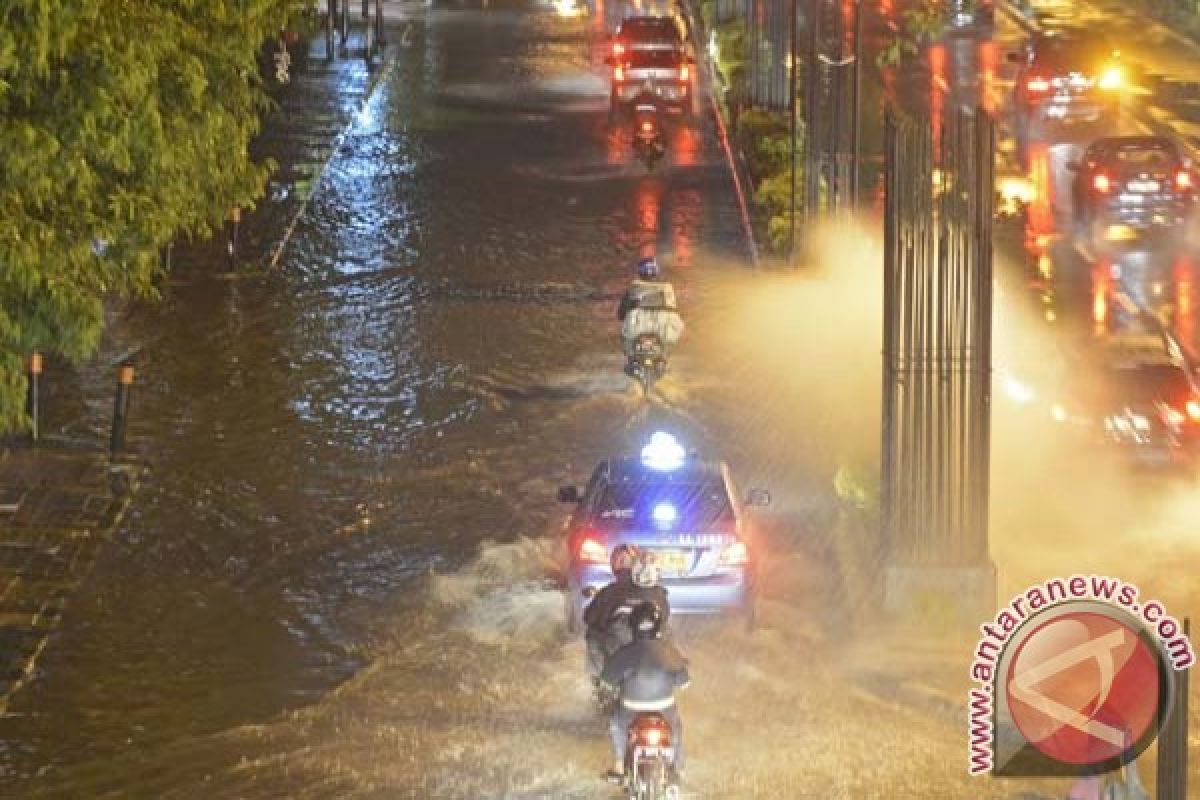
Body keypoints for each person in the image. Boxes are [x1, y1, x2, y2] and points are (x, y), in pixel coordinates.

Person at [599, 601, 689, 784]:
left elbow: (606, 681)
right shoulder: (670, 651)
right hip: (664, 708)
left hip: (631, 708)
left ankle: (618, 766)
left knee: (617, 724)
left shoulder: (624, 653)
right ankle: (678, 768)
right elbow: (685, 682)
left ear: (633, 626)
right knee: (676, 729)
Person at [584, 547, 670, 679]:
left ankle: (599, 682)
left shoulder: (611, 591)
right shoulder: (661, 594)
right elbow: (665, 619)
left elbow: (590, 618)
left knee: (592, 635)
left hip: (620, 651)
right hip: (653, 652)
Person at [616, 258, 685, 362]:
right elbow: (675, 309)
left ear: (640, 272)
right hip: (662, 327)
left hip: (638, 327)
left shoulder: (633, 288)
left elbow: (621, 313)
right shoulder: (667, 288)